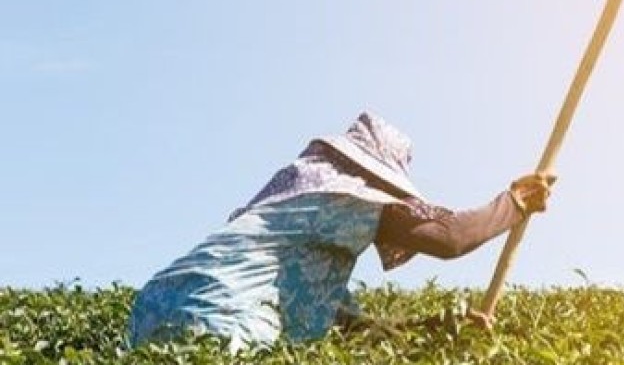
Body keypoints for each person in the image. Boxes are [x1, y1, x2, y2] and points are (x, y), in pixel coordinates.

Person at [127, 112, 554, 350]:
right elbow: (448, 237)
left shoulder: (293, 213)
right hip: (222, 322)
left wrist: (437, 328)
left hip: (149, 315)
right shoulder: (343, 195)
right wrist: (514, 202)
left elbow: (353, 325)